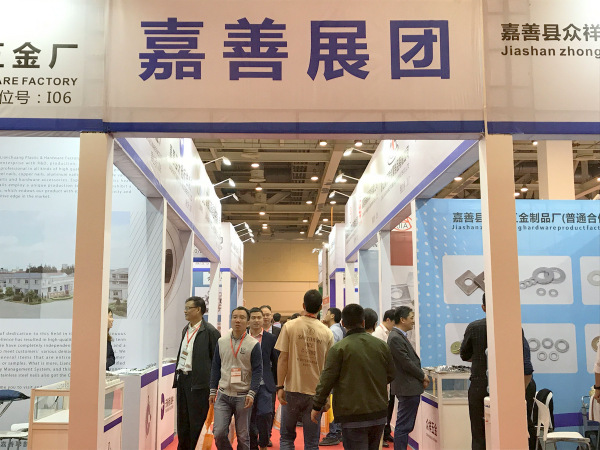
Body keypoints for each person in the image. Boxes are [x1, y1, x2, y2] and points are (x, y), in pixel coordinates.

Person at [311, 304, 395, 450]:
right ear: (363, 322)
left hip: (351, 414)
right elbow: (391, 374)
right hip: (378, 412)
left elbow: (327, 380)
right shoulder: (381, 345)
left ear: (343, 323)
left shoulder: (339, 348)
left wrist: (317, 405)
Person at [460, 293, 535, 450]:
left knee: (479, 434)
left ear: (484, 307)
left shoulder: (474, 327)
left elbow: (464, 355)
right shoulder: (514, 327)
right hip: (507, 388)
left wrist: (480, 357)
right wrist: (520, 392)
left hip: (479, 385)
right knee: (510, 434)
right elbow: (526, 366)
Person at [275, 289, 334, 450]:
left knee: (286, 438)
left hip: (292, 389)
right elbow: (329, 368)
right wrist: (326, 396)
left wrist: (280, 386)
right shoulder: (327, 333)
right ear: (320, 308)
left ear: (303, 305)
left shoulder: (289, 326)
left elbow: (283, 359)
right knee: (312, 442)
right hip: (315, 393)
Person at [210, 306, 263, 450]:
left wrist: (252, 392)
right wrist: (212, 390)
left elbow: (258, 370)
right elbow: (215, 366)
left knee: (243, 436)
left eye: (242, 317)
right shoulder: (221, 341)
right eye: (234, 317)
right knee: (219, 433)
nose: (237, 320)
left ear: (247, 322)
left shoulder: (253, 344)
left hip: (243, 396)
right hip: (223, 395)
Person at [174, 297, 221, 450]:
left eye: (188, 308)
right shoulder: (186, 329)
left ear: (198, 310)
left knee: (197, 422)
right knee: (183, 421)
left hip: (200, 384)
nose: (185, 311)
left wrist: (213, 386)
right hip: (183, 380)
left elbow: (217, 361)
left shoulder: (210, 332)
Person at [388, 306, 429, 450]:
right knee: (403, 426)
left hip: (408, 387)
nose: (413, 321)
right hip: (407, 387)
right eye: (411, 318)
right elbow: (406, 363)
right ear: (402, 319)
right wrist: (422, 376)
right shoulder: (395, 338)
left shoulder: (398, 336)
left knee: (405, 425)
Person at [247, 307, 279, 450]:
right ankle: (253, 445)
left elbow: (276, 362)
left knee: (265, 414)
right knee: (250, 417)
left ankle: (264, 442)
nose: (256, 320)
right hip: (246, 384)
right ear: (249, 320)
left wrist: (278, 384)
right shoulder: (243, 337)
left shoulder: (270, 338)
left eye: (259, 317)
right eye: (253, 318)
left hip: (265, 384)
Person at [319, 307, 345, 445]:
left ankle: (334, 433)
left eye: (327, 313)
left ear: (332, 316)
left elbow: (330, 354)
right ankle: (336, 431)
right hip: (337, 372)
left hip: (333, 372)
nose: (325, 315)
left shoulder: (333, 331)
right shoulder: (336, 329)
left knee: (332, 402)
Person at [372, 308, 396, 445]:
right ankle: (381, 435)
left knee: (390, 406)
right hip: (382, 377)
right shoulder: (378, 334)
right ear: (388, 320)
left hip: (388, 377)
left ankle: (386, 433)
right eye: (394, 322)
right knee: (384, 407)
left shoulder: (388, 332)